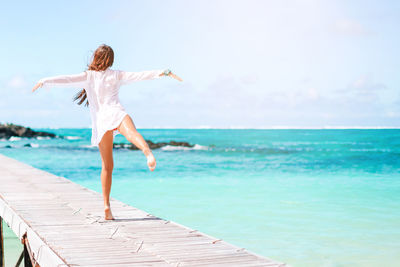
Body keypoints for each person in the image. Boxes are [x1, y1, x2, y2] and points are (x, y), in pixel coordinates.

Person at [32, 44, 183, 220]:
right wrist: (163, 72)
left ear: (95, 58)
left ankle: (106, 206)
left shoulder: (88, 76)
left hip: (102, 121)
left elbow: (66, 79)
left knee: (107, 167)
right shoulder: (117, 75)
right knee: (132, 133)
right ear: (110, 60)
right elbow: (140, 75)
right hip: (117, 113)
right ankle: (147, 152)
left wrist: (45, 80)